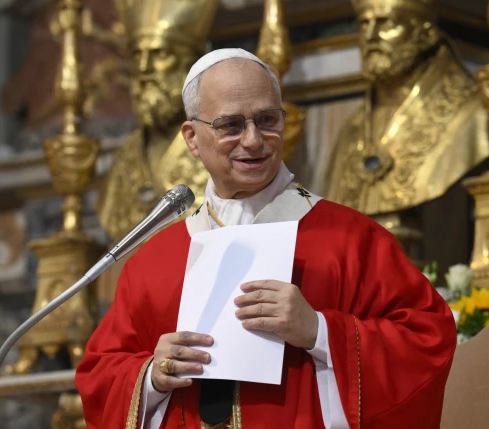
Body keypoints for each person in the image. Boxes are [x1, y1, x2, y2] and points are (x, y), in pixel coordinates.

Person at [75, 48, 457, 429]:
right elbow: (100, 374)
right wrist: (152, 377)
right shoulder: (155, 261)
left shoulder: (351, 240)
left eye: (267, 119)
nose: (254, 140)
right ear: (192, 138)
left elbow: (428, 339)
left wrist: (320, 330)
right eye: (230, 126)